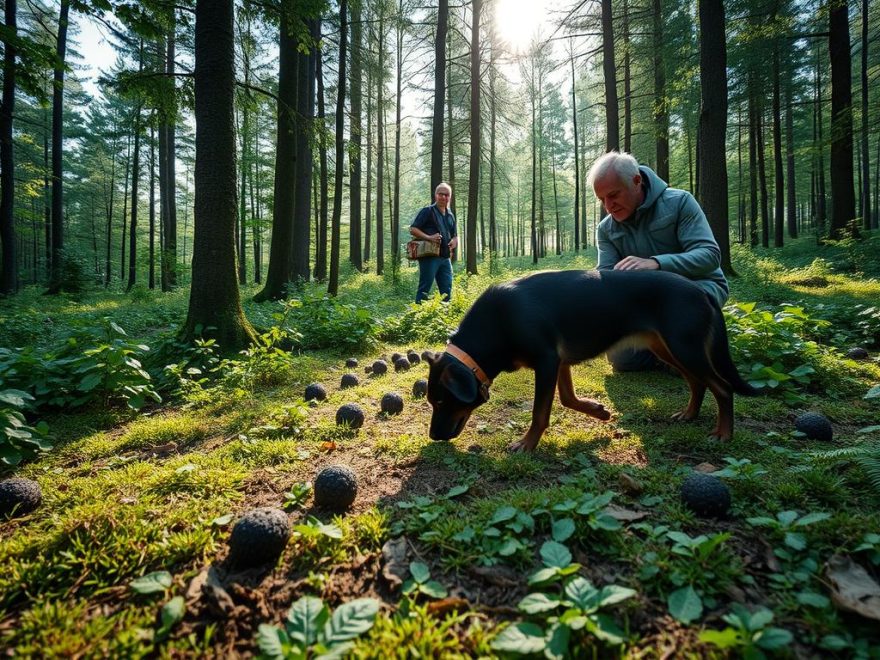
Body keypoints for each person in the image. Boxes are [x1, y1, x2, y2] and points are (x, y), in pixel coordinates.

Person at [588, 151, 729, 372]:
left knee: (682, 350)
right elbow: (606, 277)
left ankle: (682, 347)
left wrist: (656, 263)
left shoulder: (680, 202)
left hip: (698, 289)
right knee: (623, 360)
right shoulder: (606, 229)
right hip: (644, 303)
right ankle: (670, 349)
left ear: (636, 181)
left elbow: (710, 255)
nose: (609, 206)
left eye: (614, 195)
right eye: (602, 199)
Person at [409, 182, 459, 303]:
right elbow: (413, 229)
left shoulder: (450, 215)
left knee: (447, 289)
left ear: (450, 197)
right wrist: (429, 237)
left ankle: (444, 315)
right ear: (435, 195)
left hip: (445, 258)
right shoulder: (427, 211)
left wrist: (454, 241)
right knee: (424, 288)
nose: (443, 197)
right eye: (440, 194)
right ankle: (418, 315)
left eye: (446, 195)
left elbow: (455, 236)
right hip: (429, 257)